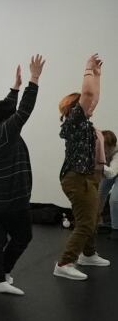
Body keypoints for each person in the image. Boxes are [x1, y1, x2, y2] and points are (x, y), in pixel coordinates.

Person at [0, 56, 45, 296]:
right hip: (9, 199)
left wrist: (15, 87)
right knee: (23, 236)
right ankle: (3, 273)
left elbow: (6, 109)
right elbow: (23, 111)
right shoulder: (5, 133)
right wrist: (34, 79)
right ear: (6, 121)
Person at [53, 54, 110, 280]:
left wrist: (97, 76)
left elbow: (93, 97)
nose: (91, 104)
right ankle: (64, 263)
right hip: (77, 178)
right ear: (75, 107)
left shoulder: (84, 121)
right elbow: (88, 95)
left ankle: (88, 254)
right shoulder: (75, 120)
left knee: (92, 218)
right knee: (86, 221)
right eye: (84, 103)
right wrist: (87, 70)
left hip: (88, 175)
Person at [97, 130, 116, 233]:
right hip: (109, 171)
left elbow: (112, 172)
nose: (104, 149)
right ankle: (96, 221)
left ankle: (115, 229)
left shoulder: (116, 152)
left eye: (107, 146)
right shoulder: (98, 148)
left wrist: (98, 164)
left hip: (113, 170)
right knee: (99, 195)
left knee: (114, 200)